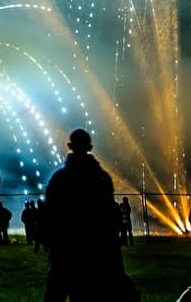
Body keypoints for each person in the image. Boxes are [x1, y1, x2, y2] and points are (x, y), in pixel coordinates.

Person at [40, 128, 123, 302]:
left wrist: (50, 242)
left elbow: (48, 215)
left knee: (55, 295)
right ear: (90, 147)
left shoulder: (59, 179)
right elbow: (109, 217)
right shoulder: (102, 179)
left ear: (69, 146)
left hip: (64, 250)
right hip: (94, 251)